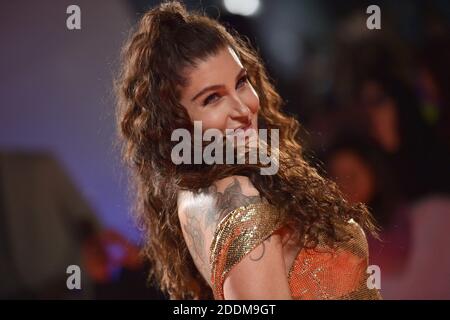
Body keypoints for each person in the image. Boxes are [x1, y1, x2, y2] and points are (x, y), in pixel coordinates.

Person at [116, 1, 381, 300]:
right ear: (174, 121)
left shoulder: (199, 193)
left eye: (241, 82)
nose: (243, 108)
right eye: (212, 98)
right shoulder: (236, 195)